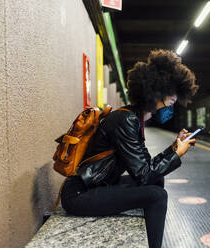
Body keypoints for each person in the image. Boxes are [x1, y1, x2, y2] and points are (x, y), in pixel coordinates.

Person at [60, 49, 199, 248]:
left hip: (99, 185)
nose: (171, 107)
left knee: (157, 181)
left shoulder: (132, 118)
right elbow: (143, 175)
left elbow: (147, 168)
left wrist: (173, 148)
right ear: (156, 94)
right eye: (171, 102)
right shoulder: (125, 120)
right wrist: (177, 154)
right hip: (79, 195)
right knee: (157, 196)